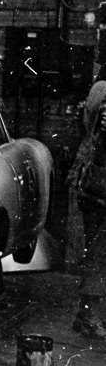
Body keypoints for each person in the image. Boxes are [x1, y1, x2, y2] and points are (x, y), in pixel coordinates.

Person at [68, 67, 106, 339]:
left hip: (91, 184)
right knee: (99, 252)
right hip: (101, 187)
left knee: (96, 249)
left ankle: (86, 314)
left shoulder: (98, 89)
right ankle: (89, 315)